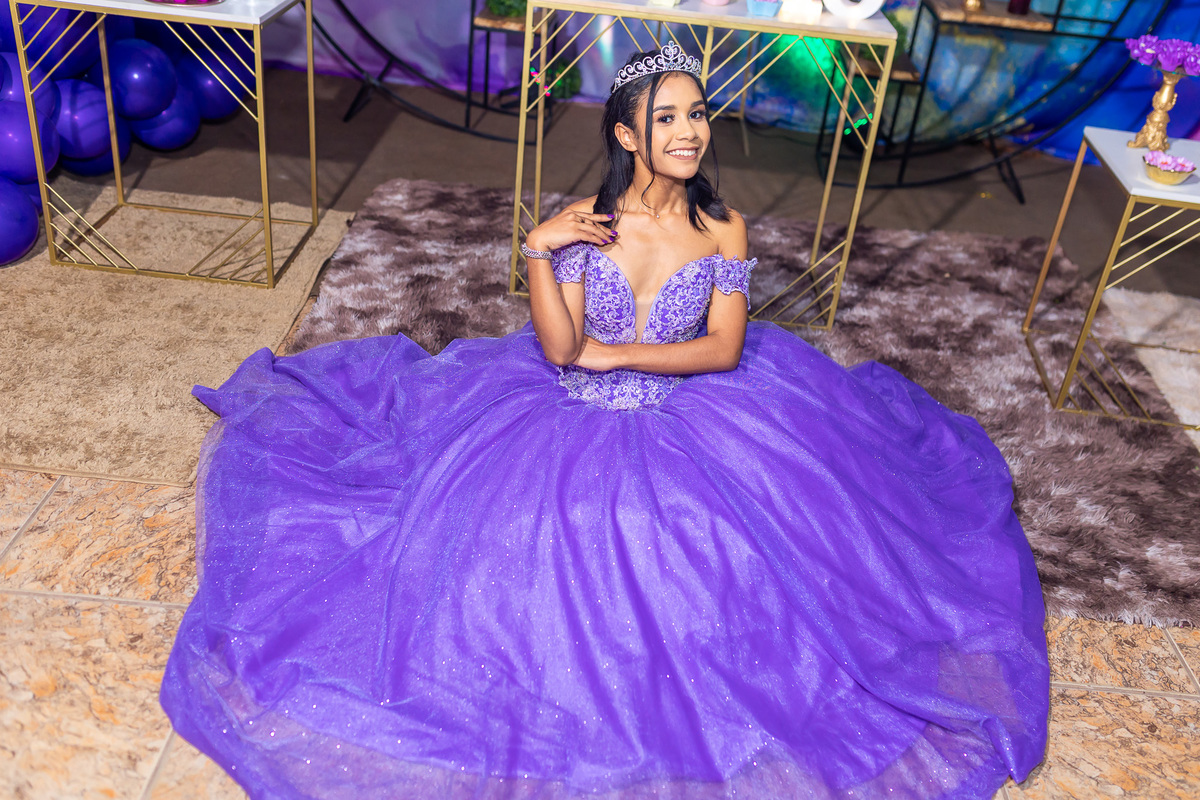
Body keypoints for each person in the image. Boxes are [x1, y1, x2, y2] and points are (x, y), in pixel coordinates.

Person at [161, 43, 1049, 799]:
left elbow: (722, 350)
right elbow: (559, 349)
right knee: (517, 533)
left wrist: (620, 357)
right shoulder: (593, 226)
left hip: (695, 404)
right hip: (567, 408)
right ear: (627, 136)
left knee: (751, 536)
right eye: (667, 118)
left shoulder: (725, 228)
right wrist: (540, 252)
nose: (689, 132)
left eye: (697, 114)